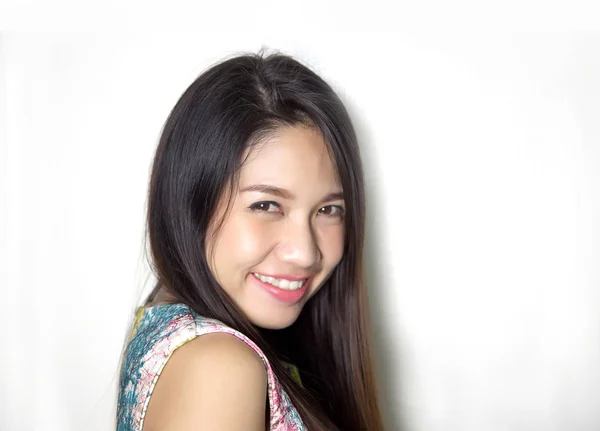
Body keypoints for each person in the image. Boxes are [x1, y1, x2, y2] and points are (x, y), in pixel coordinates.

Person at [116, 50, 383, 431]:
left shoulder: (174, 327)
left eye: (329, 210)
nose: (304, 252)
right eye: (266, 205)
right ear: (192, 203)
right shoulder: (219, 367)